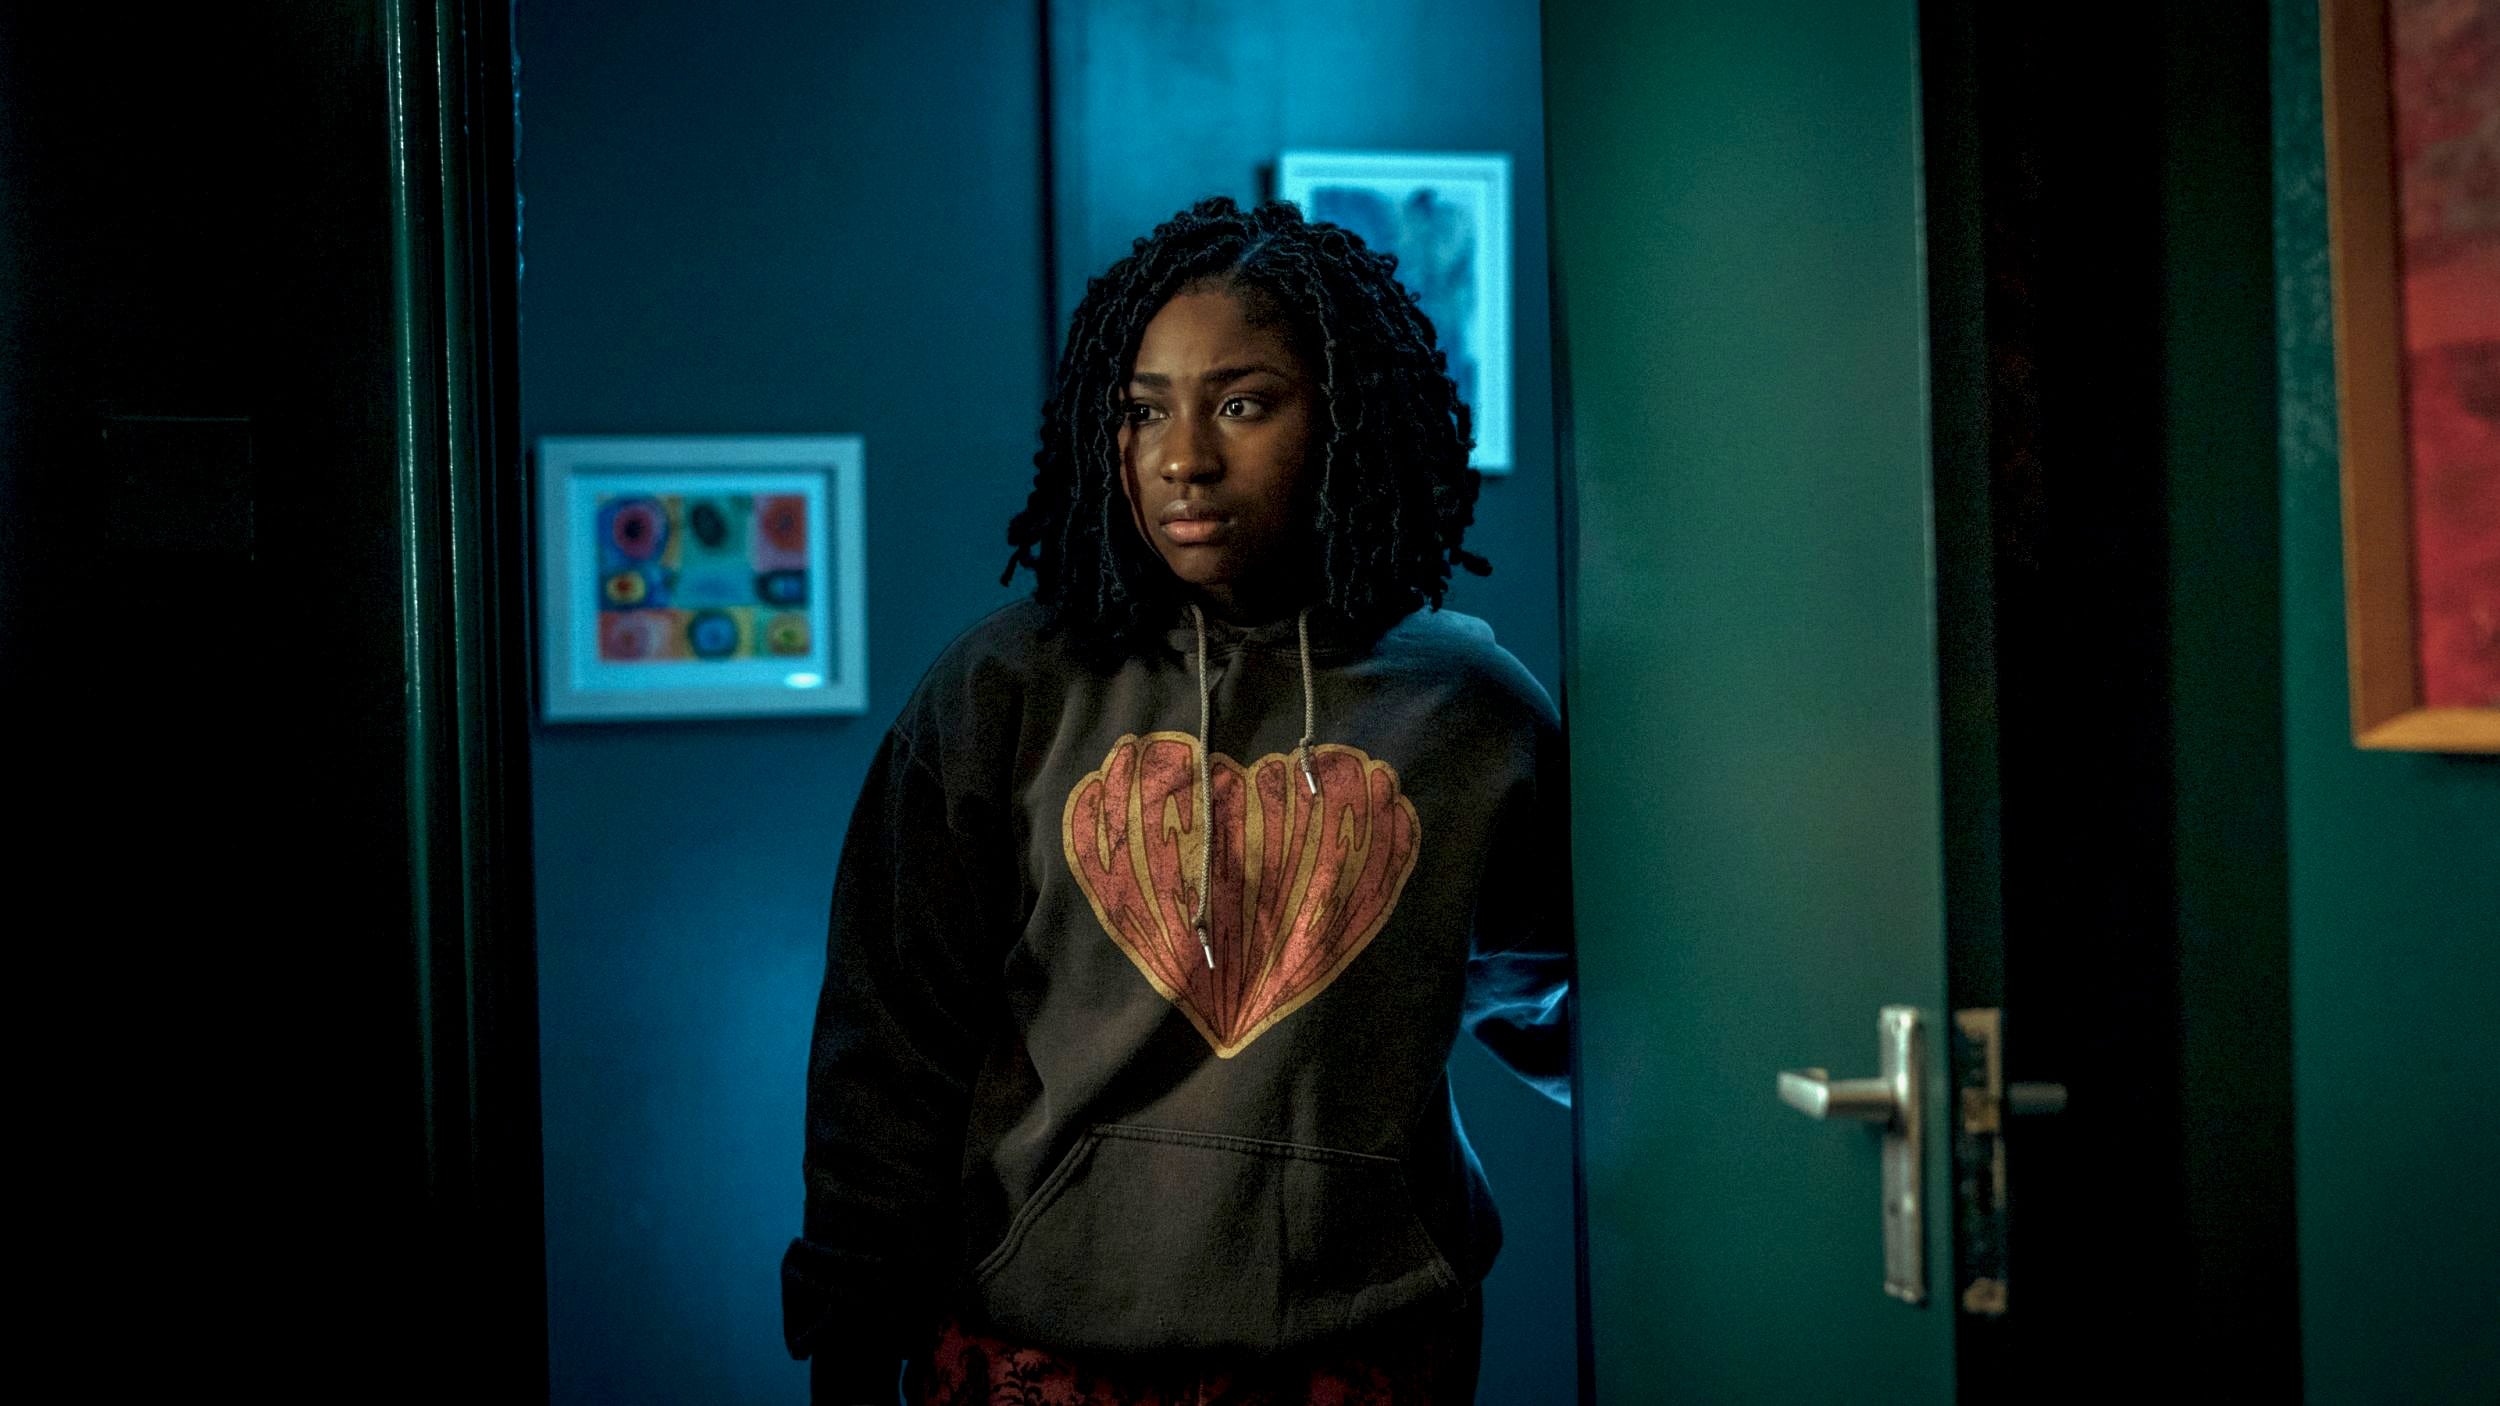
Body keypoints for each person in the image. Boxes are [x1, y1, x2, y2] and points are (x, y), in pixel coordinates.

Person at [781, 195, 1572, 1405]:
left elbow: (1566, 999)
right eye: (1144, 408)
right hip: (1035, 1345)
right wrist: (850, 1326)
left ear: (1344, 419)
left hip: (1366, 1347)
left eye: (1242, 404)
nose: (1182, 457)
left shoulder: (1469, 708)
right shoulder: (1003, 688)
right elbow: (889, 1041)